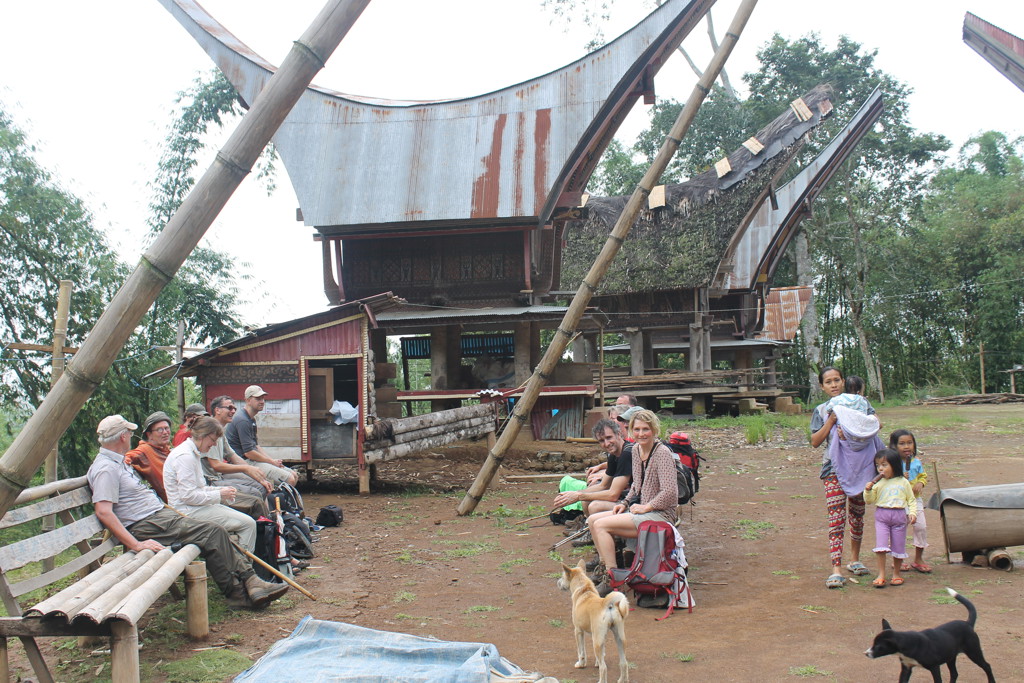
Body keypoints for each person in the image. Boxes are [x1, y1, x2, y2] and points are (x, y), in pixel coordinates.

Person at [88, 415, 289, 610]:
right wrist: (136, 544)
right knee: (211, 532)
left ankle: (249, 583)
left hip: (159, 516)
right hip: (147, 523)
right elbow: (104, 512)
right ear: (123, 436)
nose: (131, 436)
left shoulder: (117, 462)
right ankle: (240, 591)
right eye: (129, 433)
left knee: (213, 530)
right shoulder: (106, 468)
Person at [588, 409, 677, 591]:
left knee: (601, 525)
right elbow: (637, 485)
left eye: (646, 429)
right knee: (592, 520)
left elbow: (670, 493)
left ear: (654, 430)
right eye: (637, 429)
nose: (641, 434)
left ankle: (612, 579)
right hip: (641, 510)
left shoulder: (663, 453)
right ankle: (606, 568)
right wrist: (624, 503)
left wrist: (647, 507)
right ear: (630, 431)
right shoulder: (636, 450)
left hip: (661, 514)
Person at [810, 366, 873, 588]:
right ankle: (836, 568)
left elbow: (875, 425)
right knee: (836, 518)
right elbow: (815, 441)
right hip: (833, 469)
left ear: (843, 381)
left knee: (857, 514)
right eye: (828, 382)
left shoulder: (861, 403)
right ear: (822, 386)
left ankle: (855, 560)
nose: (834, 384)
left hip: (861, 467)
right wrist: (831, 420)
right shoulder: (821, 410)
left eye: (837, 380)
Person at [164, 416, 257, 552]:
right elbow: (188, 496)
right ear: (202, 436)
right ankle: (244, 567)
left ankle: (239, 563)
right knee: (248, 524)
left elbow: (199, 488)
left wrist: (222, 490)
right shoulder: (185, 456)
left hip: (195, 507)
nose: (213, 445)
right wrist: (219, 494)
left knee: (246, 518)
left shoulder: (193, 453)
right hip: (186, 513)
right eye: (213, 440)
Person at [552, 419, 633, 543]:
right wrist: (575, 494)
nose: (606, 443)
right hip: (628, 498)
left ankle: (607, 543)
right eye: (601, 441)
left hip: (637, 501)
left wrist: (578, 496)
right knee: (586, 500)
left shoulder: (627, 453)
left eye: (609, 437)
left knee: (595, 505)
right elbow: (603, 485)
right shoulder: (614, 455)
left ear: (619, 434)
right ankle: (594, 534)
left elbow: (613, 494)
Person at [225, 385, 298, 486]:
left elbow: (256, 446)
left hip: (252, 459)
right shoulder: (243, 420)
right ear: (248, 400)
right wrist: (271, 462)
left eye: (263, 398)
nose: (262, 401)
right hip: (244, 462)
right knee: (290, 479)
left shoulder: (251, 419)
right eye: (258, 399)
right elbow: (249, 453)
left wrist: (272, 460)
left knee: (294, 474)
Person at [864, 448, 917, 588]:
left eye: (884, 465)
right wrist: (867, 490)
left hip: (899, 516)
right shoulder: (878, 484)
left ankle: (896, 574)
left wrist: (913, 513)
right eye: (878, 465)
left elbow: (911, 499)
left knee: (898, 546)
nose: (880, 468)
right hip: (882, 515)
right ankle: (881, 574)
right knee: (881, 546)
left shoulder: (903, 482)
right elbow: (869, 501)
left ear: (894, 465)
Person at [205, 395, 273, 501]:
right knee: (257, 489)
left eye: (234, 409)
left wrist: (253, 472)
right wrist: (247, 468)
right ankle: (258, 516)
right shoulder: (210, 430)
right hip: (209, 481)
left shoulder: (221, 431)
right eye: (229, 408)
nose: (233, 411)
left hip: (219, 476)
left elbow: (233, 456)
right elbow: (216, 465)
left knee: (260, 482)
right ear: (217, 410)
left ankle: (269, 516)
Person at [890, 429, 931, 573]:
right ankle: (898, 560)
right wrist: (900, 477)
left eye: (909, 443)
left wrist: (921, 483)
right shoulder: (891, 463)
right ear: (894, 446)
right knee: (899, 530)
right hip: (898, 502)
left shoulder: (916, 462)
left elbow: (923, 476)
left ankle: (918, 559)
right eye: (902, 443)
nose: (906, 446)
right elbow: (886, 479)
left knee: (921, 527)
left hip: (915, 500)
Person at [125, 411, 175, 502]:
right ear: (149, 435)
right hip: (173, 502)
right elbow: (128, 456)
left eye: (167, 428)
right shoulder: (145, 450)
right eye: (160, 430)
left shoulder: (166, 449)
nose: (165, 432)